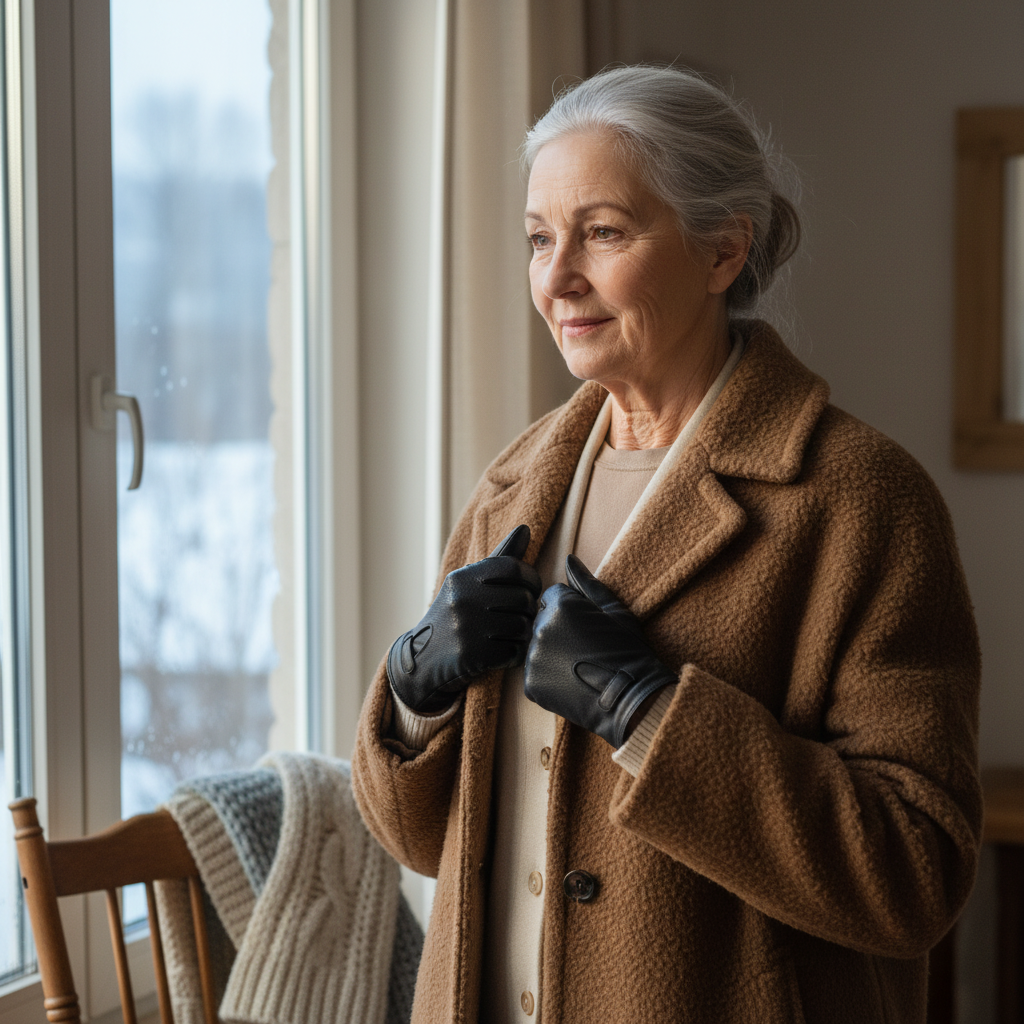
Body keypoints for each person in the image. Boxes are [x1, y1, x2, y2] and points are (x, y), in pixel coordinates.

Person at [351, 65, 982, 1024]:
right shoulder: (514, 487)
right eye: (537, 238)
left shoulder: (859, 499)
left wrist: (648, 713)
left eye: (601, 232)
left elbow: (916, 874)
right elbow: (421, 841)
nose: (558, 276)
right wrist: (411, 693)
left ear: (725, 249)